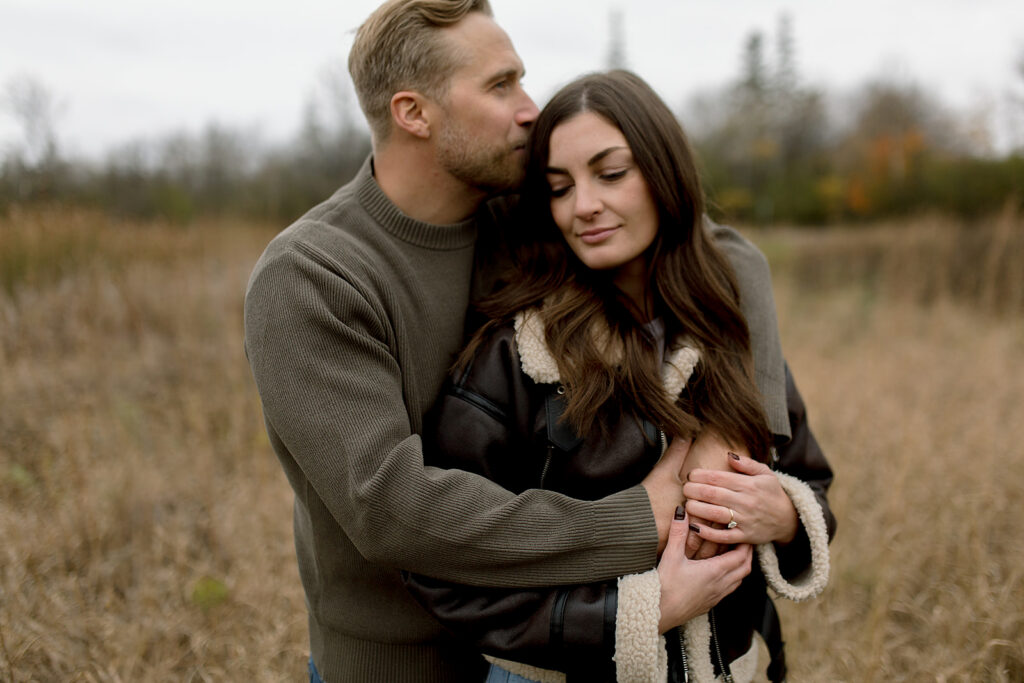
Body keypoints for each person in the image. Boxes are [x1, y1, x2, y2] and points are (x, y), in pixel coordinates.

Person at [243, 1, 809, 681]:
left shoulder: (522, 222)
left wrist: (739, 431)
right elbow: (389, 508)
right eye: (500, 85)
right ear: (413, 113)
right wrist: (639, 518)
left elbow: (724, 254)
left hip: (553, 646)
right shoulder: (313, 275)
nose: (530, 108)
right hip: (406, 666)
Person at [406, 70, 835, 683]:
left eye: (611, 174)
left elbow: (810, 480)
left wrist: (783, 516)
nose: (584, 206)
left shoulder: (727, 331)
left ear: (663, 174)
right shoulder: (516, 353)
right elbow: (446, 567)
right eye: (559, 188)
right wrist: (637, 611)